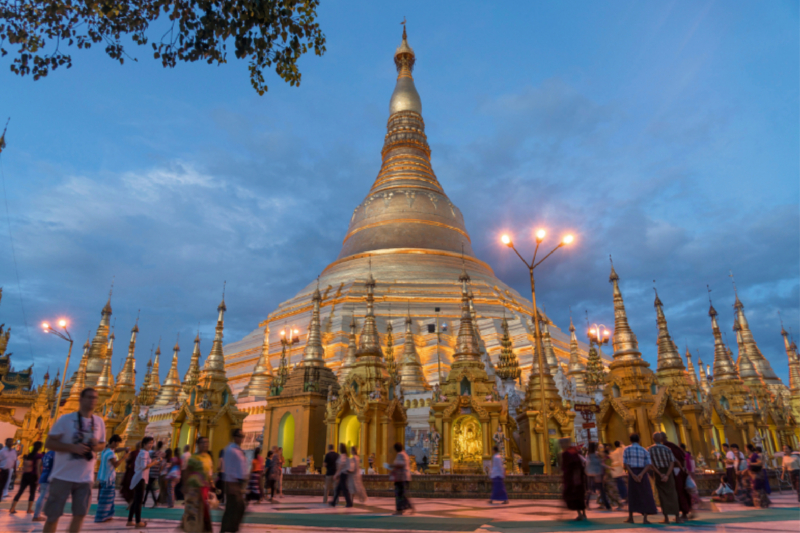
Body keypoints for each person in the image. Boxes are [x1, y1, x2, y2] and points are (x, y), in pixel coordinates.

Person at [42, 388, 106, 533]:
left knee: (80, 515)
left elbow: (102, 445)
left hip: (85, 478)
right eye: (89, 397)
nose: (92, 401)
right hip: (62, 476)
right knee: (53, 516)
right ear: (81, 399)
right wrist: (72, 447)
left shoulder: (99, 422)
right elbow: (49, 443)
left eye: (95, 398)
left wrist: (95, 445)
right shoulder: (65, 419)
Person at [622, 433, 658, 525]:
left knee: (632, 494)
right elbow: (648, 464)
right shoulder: (644, 450)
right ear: (639, 440)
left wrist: (633, 474)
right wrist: (641, 474)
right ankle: (645, 518)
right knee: (645, 494)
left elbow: (625, 464)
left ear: (630, 440)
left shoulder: (627, 449)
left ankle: (631, 517)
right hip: (643, 473)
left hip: (632, 472)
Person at [181, 437, 213, 533]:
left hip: (204, 488)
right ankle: (191, 528)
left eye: (207, 442)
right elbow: (187, 471)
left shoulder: (208, 457)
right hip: (194, 488)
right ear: (198, 445)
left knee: (203, 511)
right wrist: (184, 485)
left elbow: (209, 472)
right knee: (193, 511)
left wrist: (211, 483)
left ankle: (201, 529)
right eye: (203, 443)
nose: (205, 445)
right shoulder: (193, 457)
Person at [649, 432, 681, 524]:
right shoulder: (667, 449)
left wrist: (660, 474)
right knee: (672, 494)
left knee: (662, 495)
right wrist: (667, 475)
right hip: (668, 472)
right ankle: (677, 517)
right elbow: (672, 462)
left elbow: (651, 464)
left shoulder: (650, 449)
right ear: (661, 439)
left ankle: (666, 518)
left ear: (653, 439)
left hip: (658, 472)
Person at [128, 436, 161, 527]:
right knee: (139, 501)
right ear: (144, 444)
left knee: (136, 500)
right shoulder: (144, 453)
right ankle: (138, 522)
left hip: (140, 478)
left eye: (151, 443)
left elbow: (147, 463)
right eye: (149, 443)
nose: (150, 445)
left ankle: (130, 520)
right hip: (140, 478)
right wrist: (154, 463)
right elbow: (144, 466)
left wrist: (155, 461)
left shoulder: (144, 453)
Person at [94, 434, 126, 523]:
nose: (117, 446)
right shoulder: (110, 453)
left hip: (103, 477)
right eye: (116, 444)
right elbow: (115, 464)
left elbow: (116, 450)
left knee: (110, 498)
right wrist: (124, 457)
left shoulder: (106, 450)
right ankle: (101, 516)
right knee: (106, 499)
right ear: (113, 442)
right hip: (108, 479)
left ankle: (108, 515)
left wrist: (124, 449)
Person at [221, 428, 247, 533]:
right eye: (240, 436)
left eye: (242, 436)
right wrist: (231, 484)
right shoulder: (230, 450)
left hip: (238, 483)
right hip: (232, 483)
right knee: (235, 508)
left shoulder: (238, 450)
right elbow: (228, 467)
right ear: (235, 437)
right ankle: (227, 529)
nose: (242, 439)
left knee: (235, 508)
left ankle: (230, 529)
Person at [660, 433, 691, 521]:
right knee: (681, 492)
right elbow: (683, 457)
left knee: (678, 492)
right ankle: (683, 513)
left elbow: (675, 460)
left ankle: (682, 514)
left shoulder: (666, 447)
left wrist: (681, 468)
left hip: (675, 472)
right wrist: (684, 468)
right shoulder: (672, 445)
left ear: (661, 438)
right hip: (680, 472)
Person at [9, 440, 42, 514]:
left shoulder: (29, 455)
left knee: (20, 491)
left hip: (25, 475)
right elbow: (38, 467)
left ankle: (12, 508)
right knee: (32, 493)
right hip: (33, 476)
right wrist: (39, 478)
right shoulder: (39, 456)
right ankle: (29, 509)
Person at [559, 438, 587, 521]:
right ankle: (583, 514)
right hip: (578, 479)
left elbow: (569, 466)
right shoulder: (574, 451)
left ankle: (580, 514)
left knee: (574, 496)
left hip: (572, 479)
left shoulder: (566, 453)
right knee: (579, 496)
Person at [32, 448, 55, 522]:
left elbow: (39, 464)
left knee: (43, 496)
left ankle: (38, 514)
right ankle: (36, 516)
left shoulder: (47, 454)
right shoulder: (56, 454)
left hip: (44, 476)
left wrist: (39, 475)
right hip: (49, 478)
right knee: (43, 497)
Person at [585, 442, 609, 510]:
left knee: (590, 490)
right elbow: (599, 464)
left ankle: (587, 504)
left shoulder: (588, 455)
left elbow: (587, 464)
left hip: (589, 474)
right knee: (602, 490)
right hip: (596, 474)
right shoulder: (596, 455)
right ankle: (607, 505)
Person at [391, 442, 413, 515]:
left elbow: (401, 464)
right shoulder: (405, 454)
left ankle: (401, 509)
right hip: (404, 477)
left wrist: (392, 466)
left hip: (401, 477)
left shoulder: (400, 454)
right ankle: (407, 507)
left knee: (399, 493)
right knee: (402, 494)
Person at [331, 443, 353, 508]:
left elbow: (340, 466)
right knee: (338, 489)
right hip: (344, 474)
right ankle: (333, 502)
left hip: (343, 474)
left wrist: (336, 474)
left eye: (339, 447)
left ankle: (349, 502)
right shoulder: (345, 455)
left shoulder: (343, 455)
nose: (338, 448)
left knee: (344, 490)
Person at [144, 440, 164, 508]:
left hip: (151, 470)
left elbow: (150, 460)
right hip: (156, 471)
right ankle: (144, 501)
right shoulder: (162, 454)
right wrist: (160, 470)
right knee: (149, 487)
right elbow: (161, 463)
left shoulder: (154, 453)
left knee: (150, 487)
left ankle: (155, 502)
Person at [0, 437, 18, 502]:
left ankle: (4, 494)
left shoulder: (13, 451)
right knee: (0, 485)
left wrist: (15, 471)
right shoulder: (2, 451)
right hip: (2, 470)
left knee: (6, 483)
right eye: (9, 442)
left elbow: (14, 461)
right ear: (6, 443)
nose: (11, 443)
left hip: (8, 470)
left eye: (12, 442)